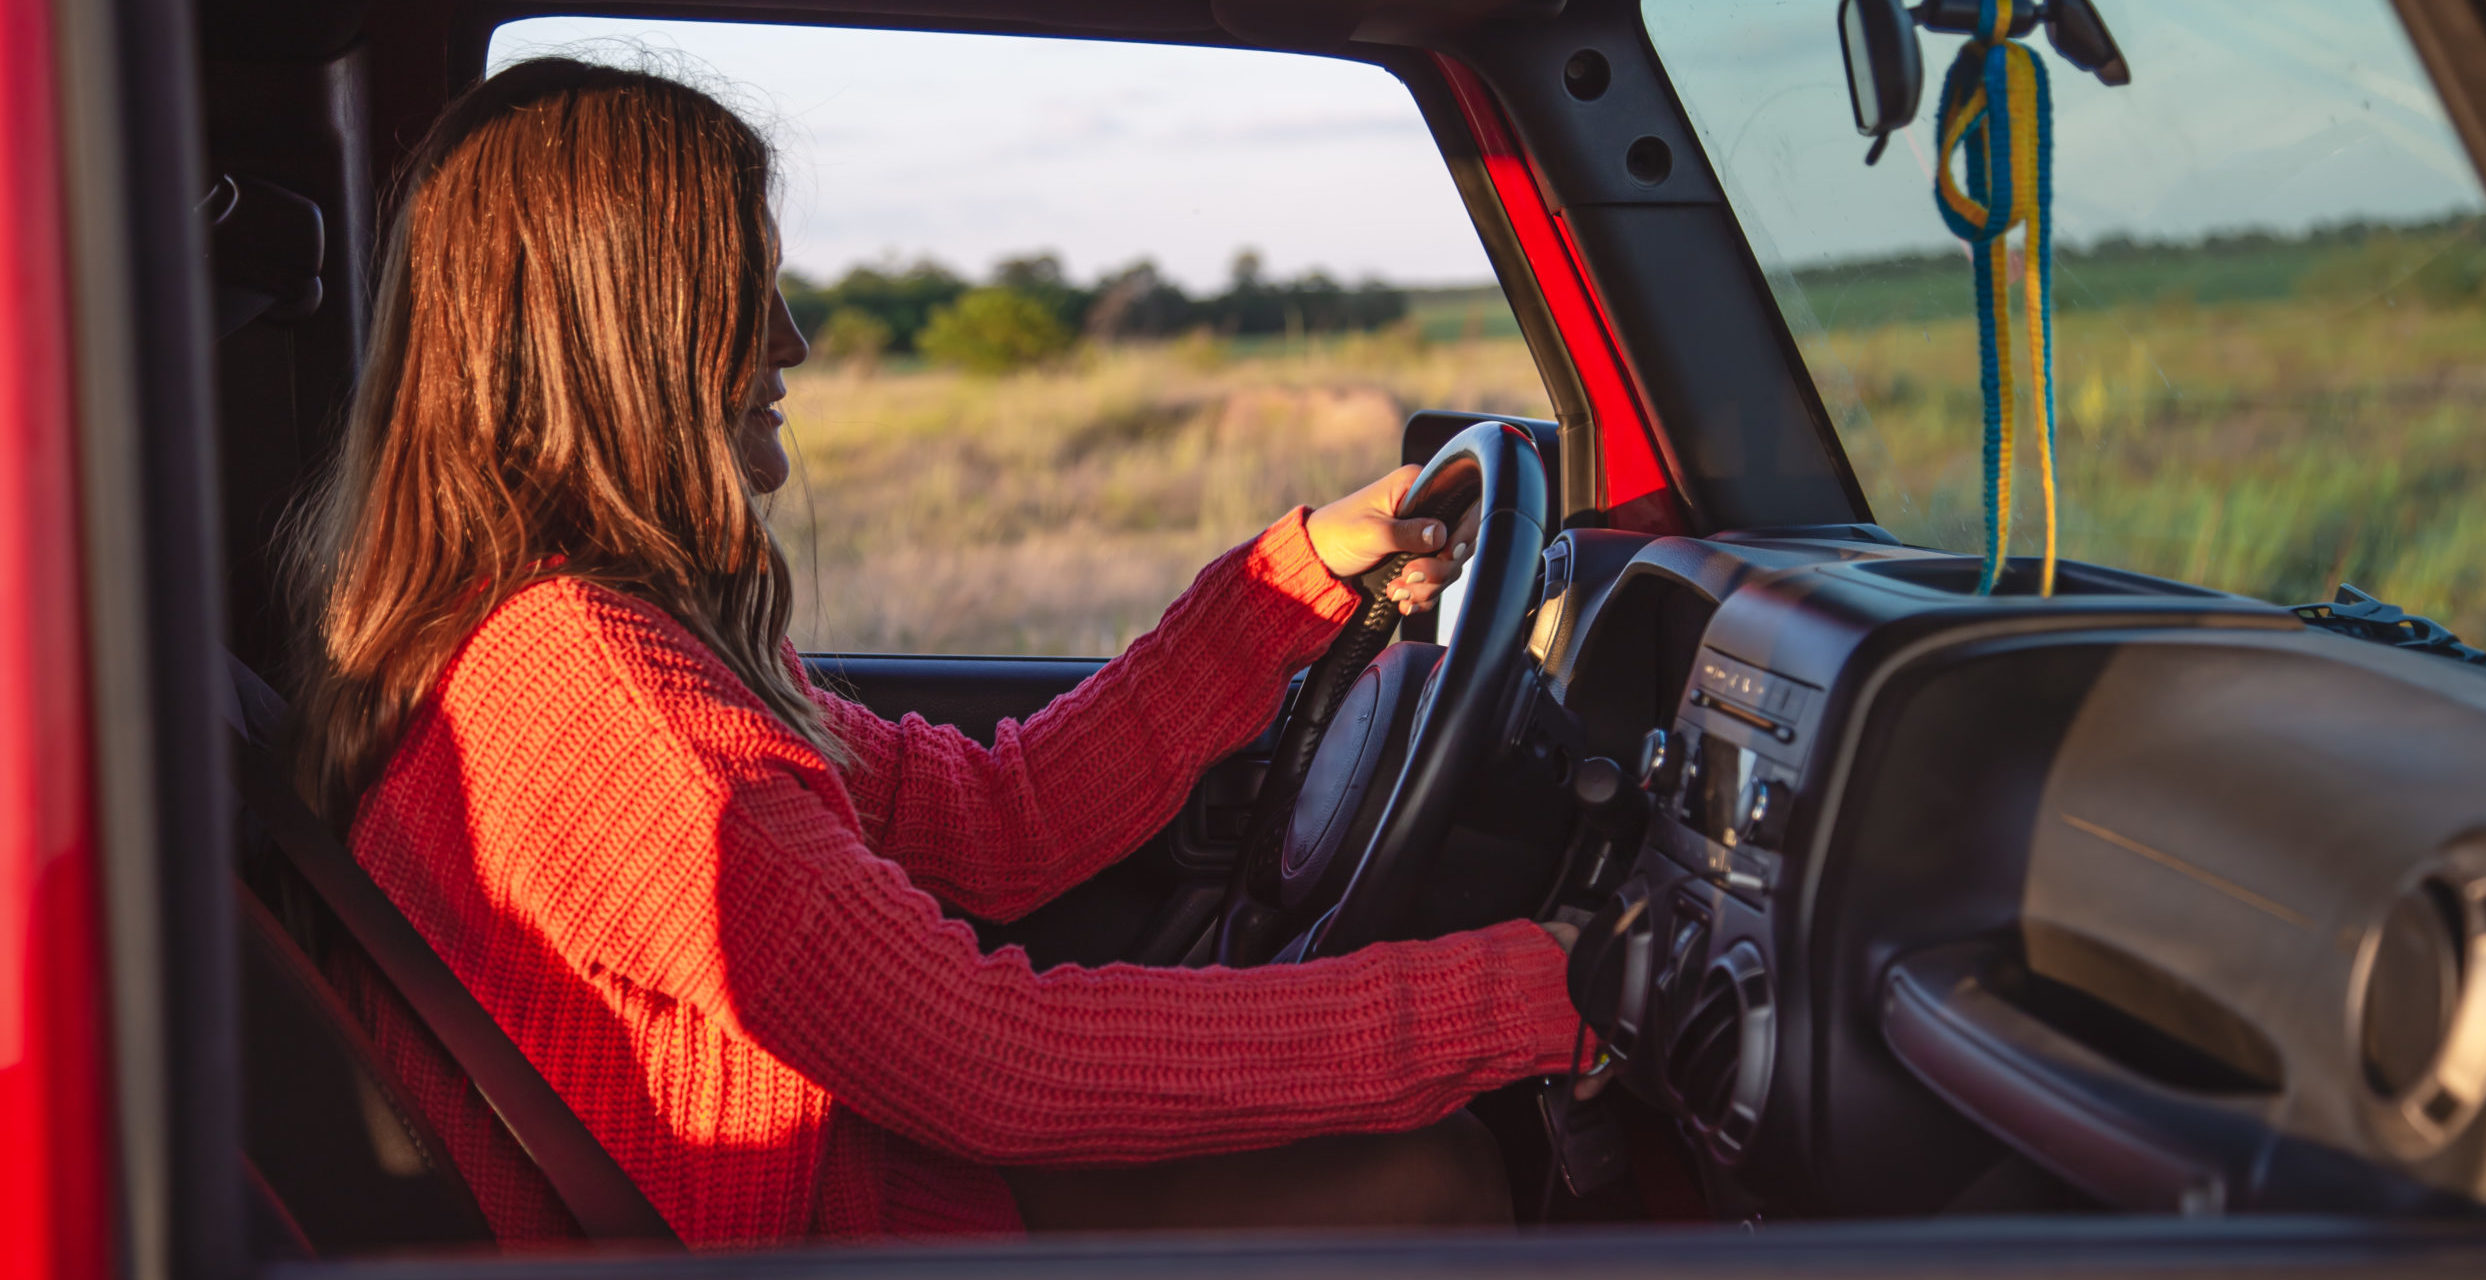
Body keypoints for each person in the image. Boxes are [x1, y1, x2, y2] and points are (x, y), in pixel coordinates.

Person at [290, 57, 1584, 1249]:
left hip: (830, 1198)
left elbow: (991, 823)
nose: (792, 340)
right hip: (794, 1238)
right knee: (1432, 1182)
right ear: (626, 341)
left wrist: (1290, 581)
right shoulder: (597, 696)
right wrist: (1548, 996)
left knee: (1405, 1161)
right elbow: (987, 1061)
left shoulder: (581, 630)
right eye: (749, 292)